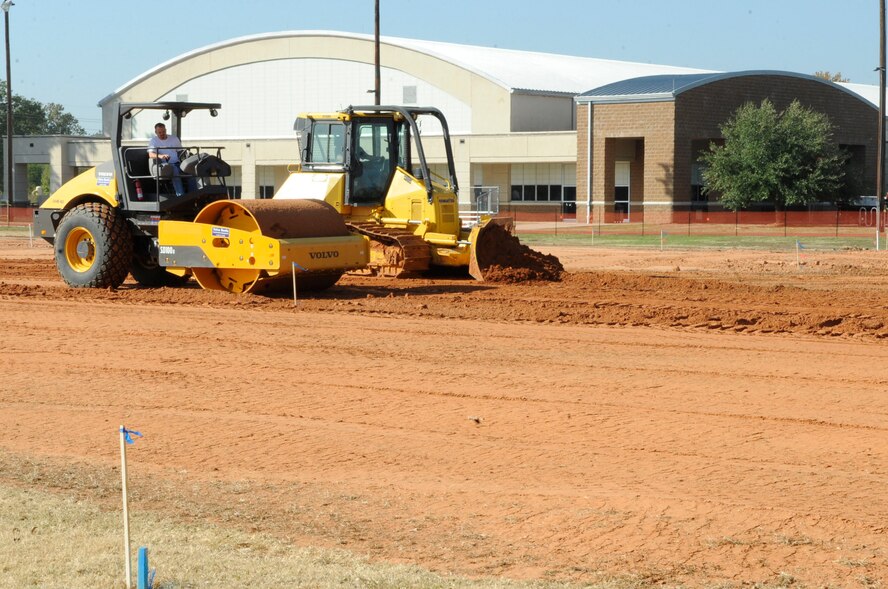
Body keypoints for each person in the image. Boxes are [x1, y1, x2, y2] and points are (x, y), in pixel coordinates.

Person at [147, 122, 192, 197]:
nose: (162, 134)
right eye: (159, 132)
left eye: (163, 131)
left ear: (166, 130)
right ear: (156, 132)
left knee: (191, 170)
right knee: (174, 170)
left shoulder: (174, 139)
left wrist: (187, 158)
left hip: (178, 163)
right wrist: (161, 156)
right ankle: (181, 196)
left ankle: (194, 194)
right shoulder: (153, 141)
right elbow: (151, 154)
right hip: (165, 166)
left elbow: (180, 152)